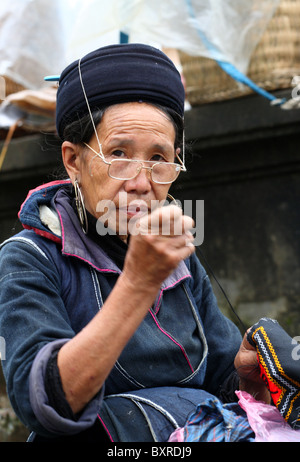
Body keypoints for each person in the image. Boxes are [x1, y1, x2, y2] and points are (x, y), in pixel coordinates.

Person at [0, 43, 269, 442]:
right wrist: (139, 282)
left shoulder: (179, 259)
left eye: (159, 159)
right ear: (74, 160)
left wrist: (252, 375)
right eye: (119, 154)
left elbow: (223, 378)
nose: (141, 184)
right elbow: (46, 403)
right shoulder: (28, 257)